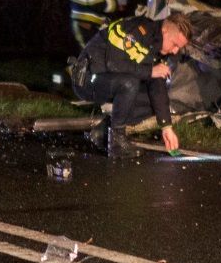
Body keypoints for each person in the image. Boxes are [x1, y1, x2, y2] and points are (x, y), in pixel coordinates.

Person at [72, 13, 193, 158]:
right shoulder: (136, 30)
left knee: (154, 99)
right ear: (165, 30)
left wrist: (166, 127)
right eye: (175, 44)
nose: (175, 51)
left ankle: (104, 131)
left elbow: (157, 87)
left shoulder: (157, 45)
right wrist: (150, 71)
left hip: (110, 80)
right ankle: (116, 144)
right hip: (88, 78)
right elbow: (114, 63)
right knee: (130, 83)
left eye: (179, 48)